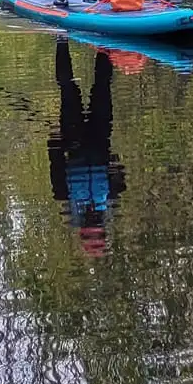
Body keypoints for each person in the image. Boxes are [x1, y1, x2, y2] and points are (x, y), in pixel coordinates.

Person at [48, 41, 125, 256]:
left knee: (67, 86)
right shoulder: (112, 196)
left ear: (83, 230)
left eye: (91, 233)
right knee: (102, 84)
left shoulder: (62, 194)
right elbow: (119, 170)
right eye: (98, 232)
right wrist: (113, 165)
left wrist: (54, 143)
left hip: (72, 137)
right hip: (100, 136)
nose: (95, 226)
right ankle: (103, 44)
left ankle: (61, 41)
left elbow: (55, 163)